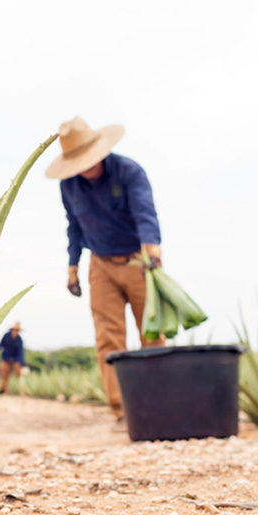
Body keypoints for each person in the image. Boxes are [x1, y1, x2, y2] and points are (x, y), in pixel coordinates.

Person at [45, 117, 163, 420]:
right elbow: (74, 227)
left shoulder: (129, 171)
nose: (86, 167)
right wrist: (73, 267)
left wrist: (153, 251)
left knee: (152, 332)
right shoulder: (68, 185)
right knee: (108, 337)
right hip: (100, 264)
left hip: (138, 260)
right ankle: (121, 409)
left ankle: (157, 402)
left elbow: (144, 213)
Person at [0, 322, 25, 394]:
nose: (16, 332)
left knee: (18, 374)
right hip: (5, 358)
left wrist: (21, 363)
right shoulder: (6, 336)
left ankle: (19, 390)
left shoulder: (19, 340)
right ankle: (2, 390)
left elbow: (20, 352)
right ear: (12, 330)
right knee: (4, 374)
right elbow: (1, 344)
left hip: (15, 359)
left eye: (17, 330)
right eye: (14, 330)